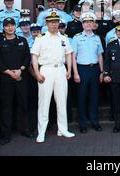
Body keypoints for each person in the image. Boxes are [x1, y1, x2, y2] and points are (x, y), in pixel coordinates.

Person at [31, 10, 75, 143]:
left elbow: (68, 54)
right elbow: (34, 55)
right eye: (51, 22)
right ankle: (41, 131)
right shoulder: (41, 38)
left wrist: (69, 70)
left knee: (62, 101)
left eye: (56, 22)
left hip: (60, 70)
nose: (54, 25)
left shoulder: (64, 38)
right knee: (44, 103)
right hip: (46, 70)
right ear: (47, 23)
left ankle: (63, 129)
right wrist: (37, 73)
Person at [0, 17, 34, 144]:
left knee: (23, 104)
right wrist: (9, 72)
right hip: (6, 78)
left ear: (15, 26)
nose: (10, 27)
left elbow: (27, 58)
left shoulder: (22, 41)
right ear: (3, 27)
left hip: (21, 77)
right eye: (7, 26)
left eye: (12, 25)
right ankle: (6, 133)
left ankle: (25, 129)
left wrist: (20, 70)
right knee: (6, 106)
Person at [71, 12, 104, 133]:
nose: (88, 24)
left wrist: (102, 72)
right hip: (82, 69)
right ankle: (83, 123)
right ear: (82, 24)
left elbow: (100, 56)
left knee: (94, 97)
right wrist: (75, 73)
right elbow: (73, 56)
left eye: (90, 22)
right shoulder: (77, 37)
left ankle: (94, 121)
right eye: (86, 22)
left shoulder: (97, 38)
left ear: (93, 24)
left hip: (95, 69)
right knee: (82, 97)